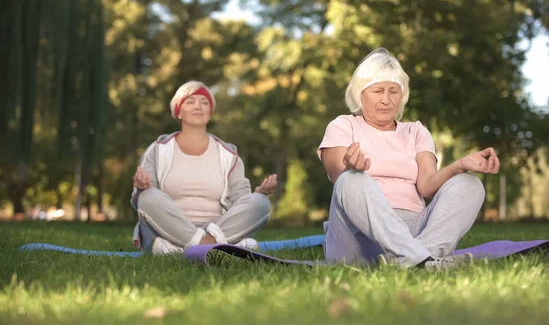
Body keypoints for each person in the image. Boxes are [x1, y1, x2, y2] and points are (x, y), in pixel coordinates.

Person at [317, 48, 500, 271]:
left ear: (402, 95)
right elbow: (337, 174)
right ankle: (421, 259)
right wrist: (349, 166)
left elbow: (427, 186)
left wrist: (460, 165)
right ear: (360, 93)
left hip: (413, 230)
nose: (386, 100)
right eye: (377, 91)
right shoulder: (343, 126)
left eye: (394, 91)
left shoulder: (416, 132)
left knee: (470, 183)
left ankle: (414, 261)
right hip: (355, 240)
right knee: (350, 179)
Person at [131, 80, 278, 254]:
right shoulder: (158, 149)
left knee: (261, 202)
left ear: (210, 113)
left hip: (219, 228)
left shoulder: (228, 154)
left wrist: (259, 192)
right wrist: (142, 189)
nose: (198, 106)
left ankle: (181, 249)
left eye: (204, 102)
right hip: (170, 231)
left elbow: (241, 201)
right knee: (147, 197)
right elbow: (146, 202)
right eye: (190, 101)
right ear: (178, 111)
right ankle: (221, 247)